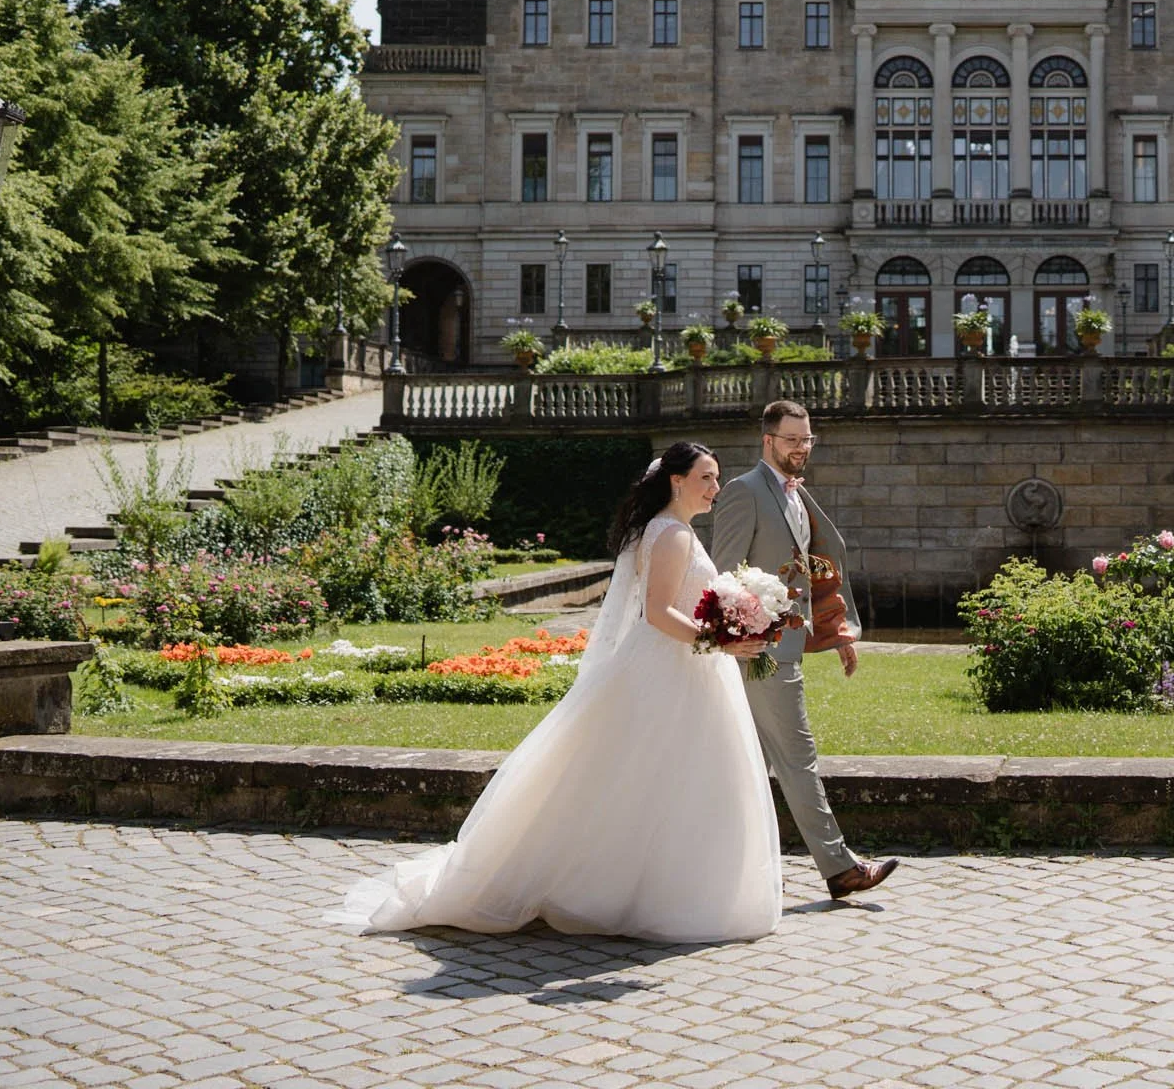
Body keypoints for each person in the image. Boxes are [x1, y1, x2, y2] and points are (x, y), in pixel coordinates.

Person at [331, 443, 783, 942]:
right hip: (672, 669)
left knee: (670, 778)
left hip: (684, 667)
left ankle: (671, 886)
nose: (716, 488)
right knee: (660, 775)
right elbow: (656, 614)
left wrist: (731, 623)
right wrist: (718, 638)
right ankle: (643, 893)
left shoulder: (669, 530)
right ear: (676, 480)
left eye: (717, 479)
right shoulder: (671, 534)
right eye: (707, 478)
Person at [711, 400, 899, 900]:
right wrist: (737, 642)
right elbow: (722, 579)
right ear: (767, 440)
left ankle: (714, 871)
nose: (801, 448)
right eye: (792, 439)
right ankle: (840, 868)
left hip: (786, 645)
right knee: (798, 758)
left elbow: (812, 572)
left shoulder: (797, 494)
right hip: (759, 653)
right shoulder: (743, 492)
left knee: (741, 762)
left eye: (808, 439)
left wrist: (836, 633)